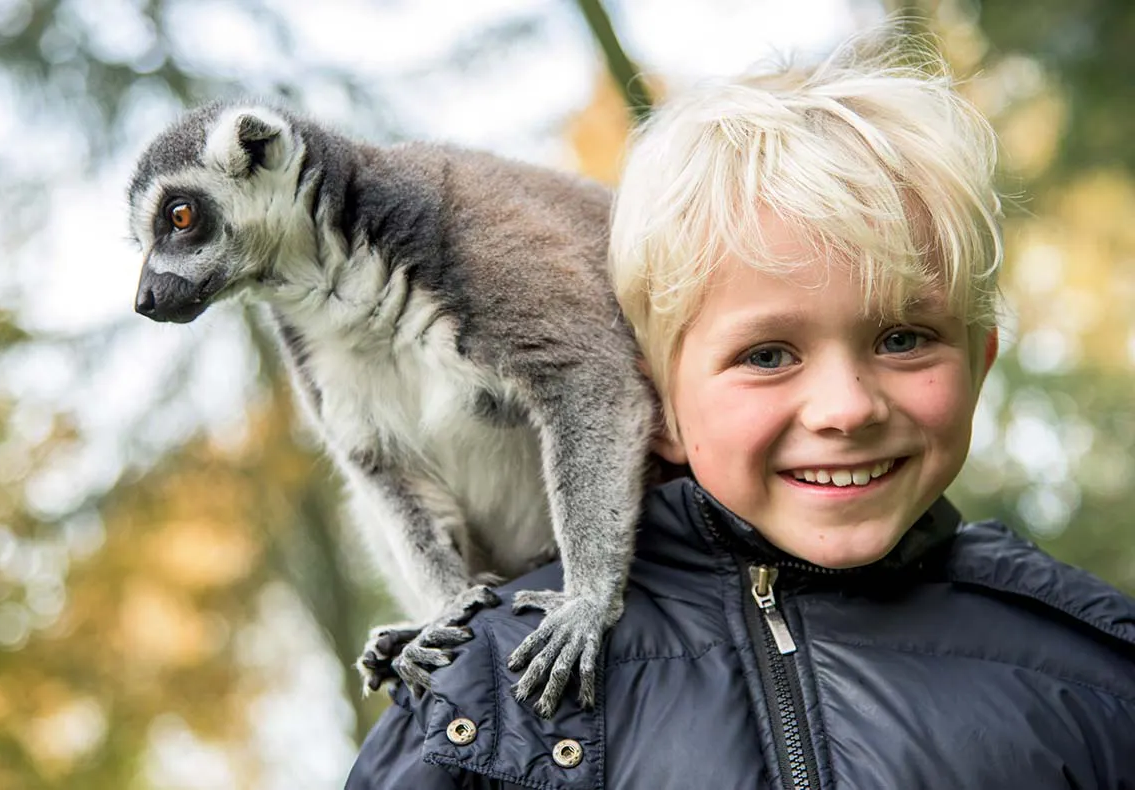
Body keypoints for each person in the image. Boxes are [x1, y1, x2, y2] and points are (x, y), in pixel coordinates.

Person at [346, 28, 1135, 790]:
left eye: (903, 339)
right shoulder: (483, 703)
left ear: (978, 364)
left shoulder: (1098, 671)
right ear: (655, 409)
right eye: (767, 356)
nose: (845, 409)